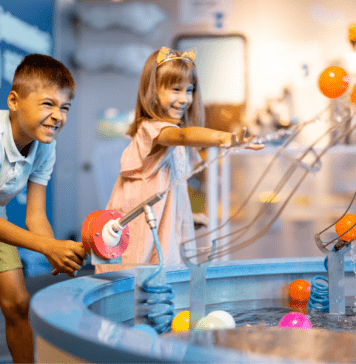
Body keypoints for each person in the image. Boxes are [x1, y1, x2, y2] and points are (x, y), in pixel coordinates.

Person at [95, 47, 264, 274]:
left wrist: (184, 213)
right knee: (135, 280)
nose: (184, 99)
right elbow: (183, 136)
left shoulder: (177, 142)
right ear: (153, 90)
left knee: (163, 284)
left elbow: (166, 190)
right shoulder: (153, 130)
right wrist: (224, 137)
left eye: (190, 90)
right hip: (138, 234)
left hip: (160, 232)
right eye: (176, 89)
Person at [0, 54, 86, 363]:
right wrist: (48, 246)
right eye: (48, 104)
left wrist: (57, 251)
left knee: (18, 304)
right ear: (14, 101)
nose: (57, 116)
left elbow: (34, 214)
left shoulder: (45, 145)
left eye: (64, 108)